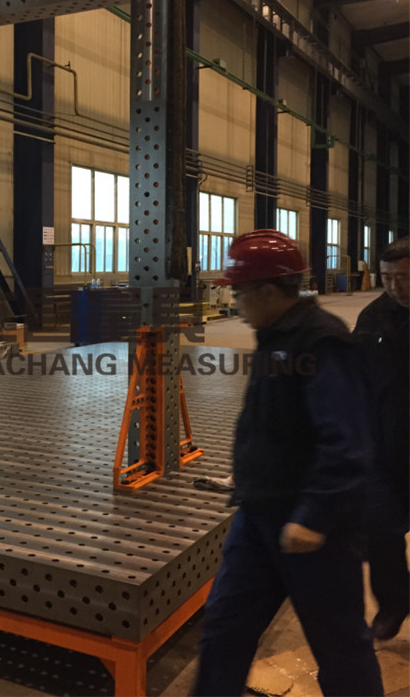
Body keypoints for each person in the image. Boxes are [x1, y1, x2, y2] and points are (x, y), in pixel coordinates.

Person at [193, 229, 383, 697]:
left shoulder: (321, 341)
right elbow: (275, 420)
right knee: (225, 627)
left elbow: (347, 441)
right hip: (257, 516)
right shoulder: (274, 335)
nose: (235, 302)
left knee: (339, 643)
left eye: (240, 292)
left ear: (268, 291)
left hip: (314, 529)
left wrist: (315, 516)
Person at [354, 236, 410, 641]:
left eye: (403, 277)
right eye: (387, 277)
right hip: (386, 450)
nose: (394, 286)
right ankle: (393, 604)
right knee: (381, 534)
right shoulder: (373, 318)